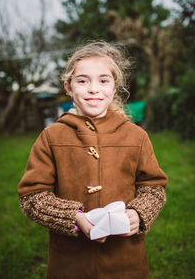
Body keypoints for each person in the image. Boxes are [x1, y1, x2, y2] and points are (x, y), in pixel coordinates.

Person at [18, 41, 168, 279]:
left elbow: (154, 188)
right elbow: (32, 196)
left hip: (126, 263)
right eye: (83, 80)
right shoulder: (51, 136)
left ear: (115, 86)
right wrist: (74, 217)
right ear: (68, 86)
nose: (93, 89)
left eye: (103, 80)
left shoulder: (136, 136)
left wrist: (139, 214)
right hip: (69, 264)